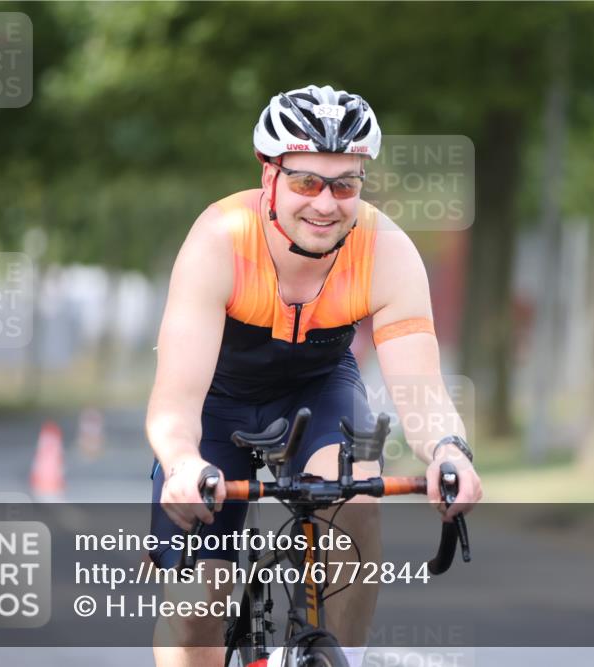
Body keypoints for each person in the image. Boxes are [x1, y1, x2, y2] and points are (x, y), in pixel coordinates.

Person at [146, 84, 482, 667]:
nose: (325, 203)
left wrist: (449, 452)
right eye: (306, 181)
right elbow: (175, 404)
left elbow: (422, 389)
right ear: (268, 175)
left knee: (355, 499)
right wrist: (181, 463)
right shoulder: (219, 241)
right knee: (196, 602)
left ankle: (337, 658)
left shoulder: (387, 250)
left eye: (344, 184)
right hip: (217, 405)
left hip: (318, 390)